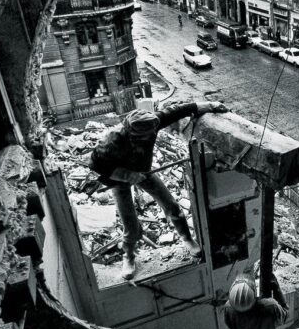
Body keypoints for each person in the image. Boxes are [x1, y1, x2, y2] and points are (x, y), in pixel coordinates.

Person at [90, 103, 227, 279]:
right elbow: (95, 165)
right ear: (133, 134)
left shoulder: (152, 123)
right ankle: (129, 257)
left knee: (172, 206)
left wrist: (209, 105)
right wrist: (125, 175)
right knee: (130, 224)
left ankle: (187, 238)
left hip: (144, 173)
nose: (152, 136)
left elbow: (177, 110)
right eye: (147, 136)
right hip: (119, 181)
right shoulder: (112, 140)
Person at [224, 270, 288, 329]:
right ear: (254, 294)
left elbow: (231, 326)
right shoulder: (270, 306)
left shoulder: (228, 308)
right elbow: (285, 315)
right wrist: (276, 288)